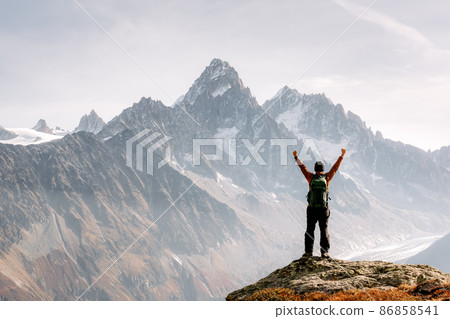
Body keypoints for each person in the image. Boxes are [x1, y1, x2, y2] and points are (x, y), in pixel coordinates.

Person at [292, 148, 346, 258]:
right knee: (324, 229)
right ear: (323, 169)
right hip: (323, 209)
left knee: (310, 229)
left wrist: (296, 157)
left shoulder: (310, 177)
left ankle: (308, 252)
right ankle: (324, 252)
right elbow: (335, 168)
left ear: (315, 169)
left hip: (311, 209)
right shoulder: (327, 177)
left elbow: (302, 168)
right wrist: (342, 156)